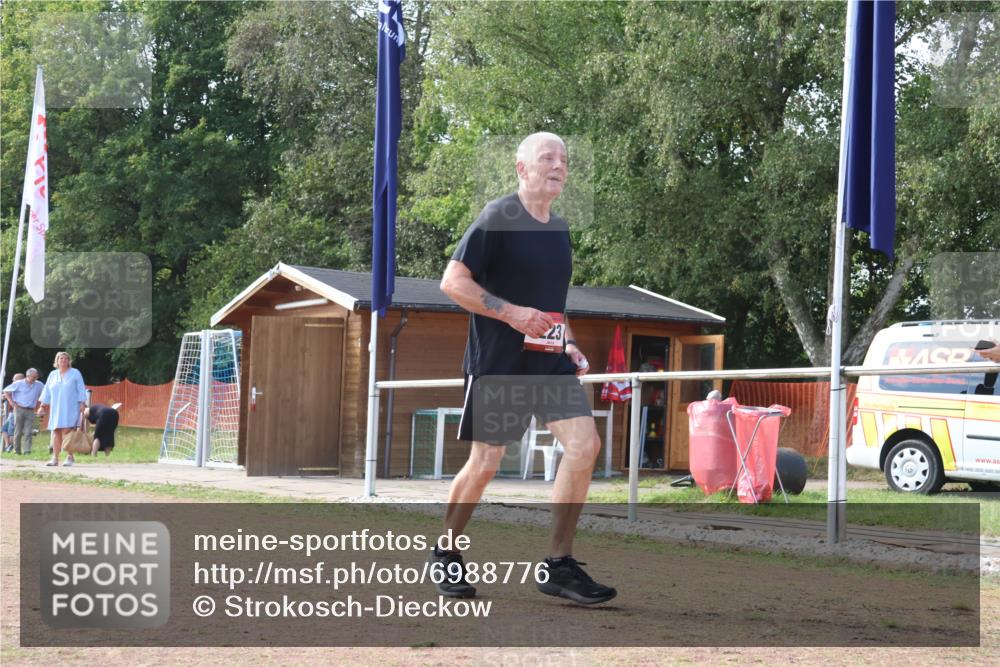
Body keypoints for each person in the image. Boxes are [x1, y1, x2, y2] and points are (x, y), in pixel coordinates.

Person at [431, 132, 616, 605]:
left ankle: (558, 563)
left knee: (584, 445)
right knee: (486, 462)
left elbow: (554, 305)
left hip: (548, 363)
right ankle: (446, 550)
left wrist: (569, 343)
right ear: (521, 168)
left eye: (564, 159)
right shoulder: (499, 217)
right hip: (499, 364)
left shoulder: (558, 231)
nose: (559, 165)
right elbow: (452, 281)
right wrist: (511, 313)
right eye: (547, 157)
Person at [37, 352, 87, 467]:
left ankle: (70, 456)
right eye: (61, 358)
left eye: (65, 358)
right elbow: (47, 391)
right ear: (57, 361)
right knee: (56, 431)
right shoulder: (52, 374)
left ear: (69, 361)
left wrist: (82, 403)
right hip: (56, 407)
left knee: (66, 431)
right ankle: (55, 458)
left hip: (71, 406)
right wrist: (42, 406)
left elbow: (81, 388)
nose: (63, 360)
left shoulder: (75, 373)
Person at [3, 369, 43, 455]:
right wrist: (12, 403)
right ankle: (16, 450)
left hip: (31, 410)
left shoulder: (39, 385)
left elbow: (44, 394)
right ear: (27, 376)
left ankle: (27, 451)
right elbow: (5, 391)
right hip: (19, 409)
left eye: (36, 377)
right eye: (33, 377)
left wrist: (41, 406)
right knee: (18, 431)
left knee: (28, 431)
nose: (35, 379)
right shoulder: (18, 383)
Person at [2, 373, 26, 452]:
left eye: (14, 379)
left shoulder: (21, 387)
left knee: (11, 431)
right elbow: (5, 394)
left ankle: (11, 446)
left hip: (17, 412)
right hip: (12, 413)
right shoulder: (15, 387)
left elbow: (6, 394)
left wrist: (5, 396)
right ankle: (8, 445)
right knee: (4, 429)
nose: (13, 381)